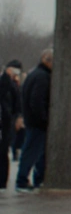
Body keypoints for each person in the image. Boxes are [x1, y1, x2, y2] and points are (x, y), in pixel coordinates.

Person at [15, 49, 51, 192]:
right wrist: (43, 118)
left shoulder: (34, 74)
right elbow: (36, 100)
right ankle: (22, 180)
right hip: (37, 121)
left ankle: (38, 178)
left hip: (32, 119)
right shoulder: (42, 77)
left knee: (37, 151)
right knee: (31, 151)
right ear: (46, 60)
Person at [0, 60, 20, 189]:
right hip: (5, 120)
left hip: (4, 120)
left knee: (3, 151)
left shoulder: (9, 84)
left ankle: (2, 181)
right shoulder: (8, 83)